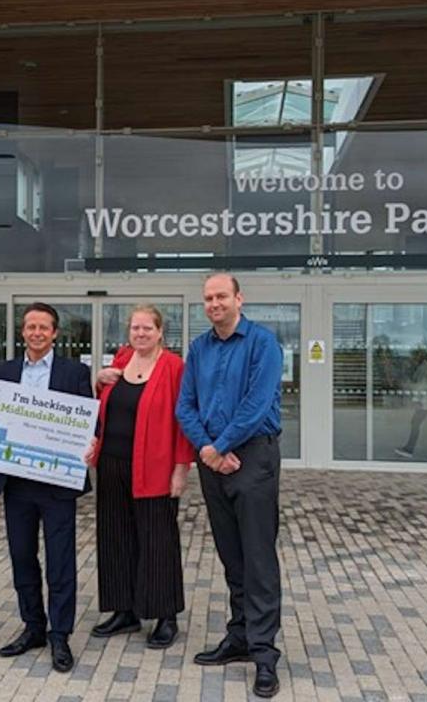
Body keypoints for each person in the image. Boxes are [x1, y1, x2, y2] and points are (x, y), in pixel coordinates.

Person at [175, 274, 284, 699]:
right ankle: (238, 636)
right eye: (208, 298)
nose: (214, 303)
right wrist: (207, 448)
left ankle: (263, 653)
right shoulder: (200, 348)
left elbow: (257, 405)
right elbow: (185, 404)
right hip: (212, 460)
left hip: (252, 456)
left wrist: (219, 446)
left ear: (239, 299)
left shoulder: (262, 342)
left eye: (221, 296)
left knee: (258, 557)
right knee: (230, 553)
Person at [0, 302, 93, 673]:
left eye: (44, 327)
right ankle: (33, 627)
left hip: (58, 483)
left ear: (55, 333)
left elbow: (89, 421)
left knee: (61, 562)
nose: (37, 333)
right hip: (17, 483)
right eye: (31, 327)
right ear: (22, 332)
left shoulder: (75, 372)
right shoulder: (3, 372)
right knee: (22, 557)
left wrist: (91, 442)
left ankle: (60, 635)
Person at [86, 305, 193, 649]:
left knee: (157, 540)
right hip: (112, 464)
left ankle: (165, 616)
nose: (141, 334)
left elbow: (183, 421)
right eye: (135, 328)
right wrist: (97, 382)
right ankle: (125, 610)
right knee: (116, 536)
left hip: (154, 467)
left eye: (148, 328)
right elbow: (103, 407)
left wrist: (181, 469)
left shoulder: (174, 367)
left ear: (161, 332)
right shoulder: (121, 359)